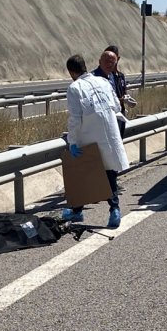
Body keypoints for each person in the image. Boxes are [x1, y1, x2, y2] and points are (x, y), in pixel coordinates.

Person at [62, 54, 129, 228]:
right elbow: (115, 105)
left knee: (82, 174)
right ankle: (112, 210)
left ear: (71, 71)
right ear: (85, 66)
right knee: (108, 173)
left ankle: (78, 211)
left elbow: (75, 119)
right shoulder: (103, 82)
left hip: (89, 138)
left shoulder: (74, 88)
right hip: (109, 134)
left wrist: (72, 141)